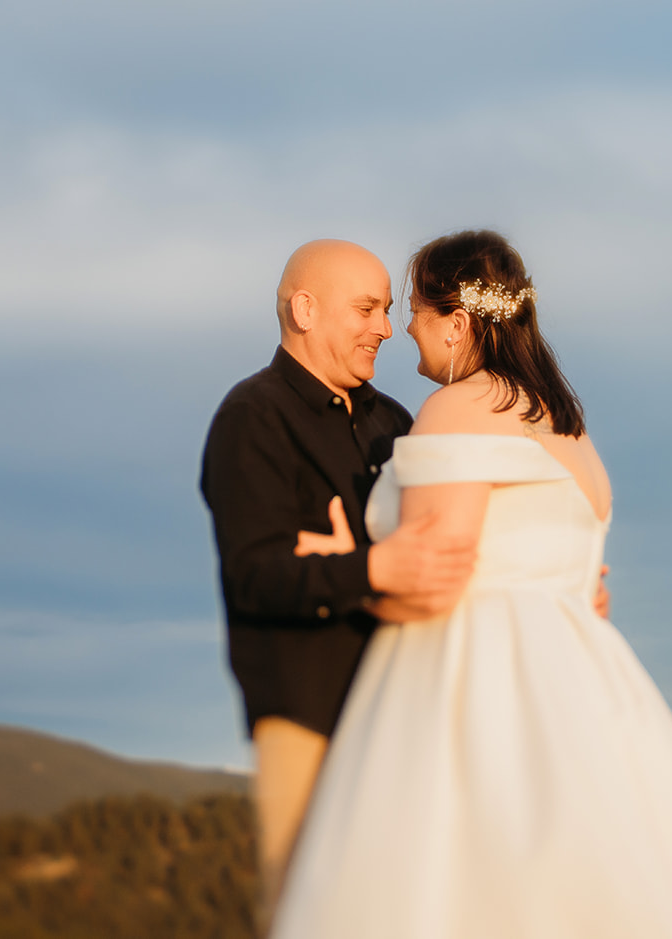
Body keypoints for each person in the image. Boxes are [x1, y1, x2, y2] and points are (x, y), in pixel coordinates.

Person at [270, 230, 672, 939]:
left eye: (415, 307)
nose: (405, 324)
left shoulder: (462, 407)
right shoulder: (570, 429)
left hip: (469, 680)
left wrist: (341, 569)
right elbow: (579, 584)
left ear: (459, 321)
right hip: (585, 689)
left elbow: (434, 577)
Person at [198, 239, 481, 926]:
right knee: (312, 909)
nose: (385, 327)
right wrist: (369, 566)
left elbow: (442, 541)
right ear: (303, 309)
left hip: (400, 706)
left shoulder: (393, 422)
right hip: (308, 714)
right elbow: (253, 574)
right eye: (366, 308)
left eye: (387, 309)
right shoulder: (252, 417)